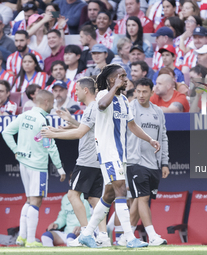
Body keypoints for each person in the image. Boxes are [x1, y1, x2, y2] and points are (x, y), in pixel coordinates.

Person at [77, 64, 160, 248]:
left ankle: (87, 233)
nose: (126, 79)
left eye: (125, 75)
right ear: (112, 80)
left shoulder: (123, 100)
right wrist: (113, 87)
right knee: (121, 190)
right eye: (121, 76)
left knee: (108, 194)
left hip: (120, 153)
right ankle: (129, 237)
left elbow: (132, 125)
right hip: (107, 152)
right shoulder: (102, 95)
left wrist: (150, 140)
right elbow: (101, 105)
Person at [41, 77, 111, 247]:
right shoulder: (95, 107)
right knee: (95, 200)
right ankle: (103, 237)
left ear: (86, 90)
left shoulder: (92, 107)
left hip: (86, 160)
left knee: (73, 195)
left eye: (77, 89)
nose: (75, 93)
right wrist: (66, 125)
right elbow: (85, 129)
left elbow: (80, 133)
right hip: (96, 160)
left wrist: (54, 135)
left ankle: (85, 233)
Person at [2, 90, 66, 247]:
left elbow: (6, 132)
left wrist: (16, 150)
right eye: (51, 103)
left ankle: (21, 237)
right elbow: (51, 145)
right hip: (38, 166)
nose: (52, 106)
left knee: (30, 200)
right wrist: (60, 168)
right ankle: (30, 240)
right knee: (36, 201)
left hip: (23, 163)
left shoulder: (23, 115)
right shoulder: (42, 120)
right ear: (45, 102)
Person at [127, 77, 169, 245]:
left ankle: (127, 235)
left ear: (152, 92)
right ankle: (152, 236)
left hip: (153, 163)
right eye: (138, 91)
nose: (141, 95)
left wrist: (164, 162)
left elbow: (163, 137)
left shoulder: (158, 111)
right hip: (135, 161)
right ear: (135, 91)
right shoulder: (130, 109)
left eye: (145, 92)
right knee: (143, 198)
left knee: (139, 200)